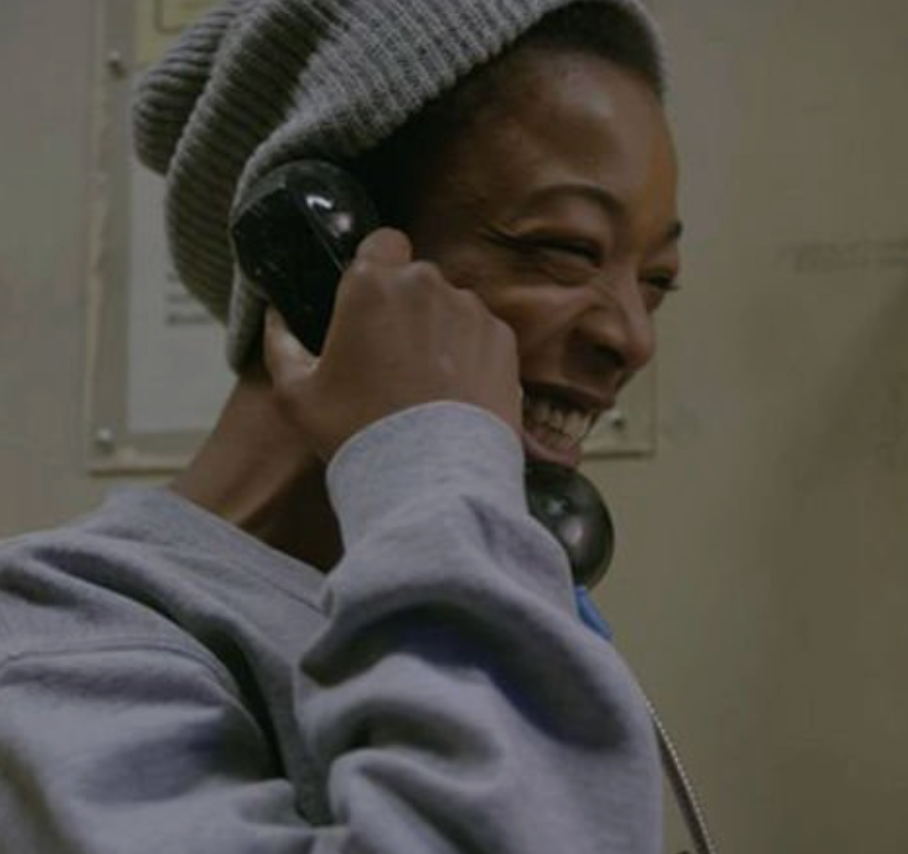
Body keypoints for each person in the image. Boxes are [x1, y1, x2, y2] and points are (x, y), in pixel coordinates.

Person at [0, 1, 682, 852]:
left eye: (657, 283)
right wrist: (434, 457)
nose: (633, 338)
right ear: (330, 246)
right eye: (568, 248)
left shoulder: (455, 602)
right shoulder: (57, 645)